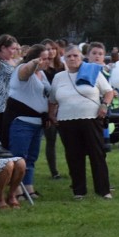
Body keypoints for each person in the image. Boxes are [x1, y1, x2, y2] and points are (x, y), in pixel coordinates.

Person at [48, 45, 115, 199]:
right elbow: (52, 100)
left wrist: (104, 105)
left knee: (97, 154)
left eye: (75, 56)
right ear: (64, 59)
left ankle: (103, 189)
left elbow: (109, 91)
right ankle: (79, 190)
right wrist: (52, 115)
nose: (72, 59)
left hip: (91, 118)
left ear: (81, 58)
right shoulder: (59, 77)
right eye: (69, 56)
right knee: (73, 155)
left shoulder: (93, 72)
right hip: (66, 121)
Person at [4, 44, 52, 200]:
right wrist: (34, 63)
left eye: (48, 59)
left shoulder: (42, 75)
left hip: (37, 123)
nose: (46, 62)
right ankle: (16, 189)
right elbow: (26, 72)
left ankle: (28, 186)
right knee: (19, 157)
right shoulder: (23, 70)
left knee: (31, 158)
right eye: (43, 59)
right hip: (22, 122)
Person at [41, 39, 64, 180]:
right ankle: (54, 171)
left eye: (52, 49)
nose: (50, 52)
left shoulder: (62, 67)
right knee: (51, 140)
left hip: (63, 107)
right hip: (47, 107)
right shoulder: (42, 69)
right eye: (47, 49)